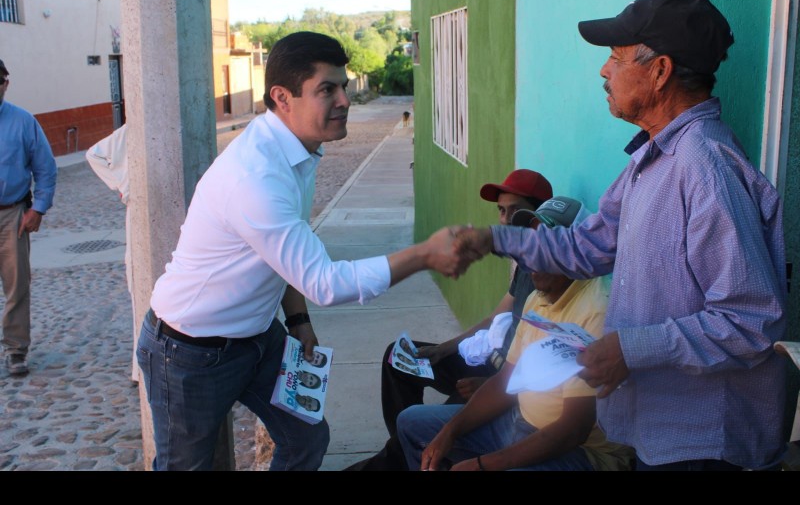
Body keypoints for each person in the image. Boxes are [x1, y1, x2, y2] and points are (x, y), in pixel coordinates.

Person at [453, 0, 788, 471]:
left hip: (705, 443)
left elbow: (750, 319)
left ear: (660, 71)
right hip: (660, 433)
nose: (604, 71)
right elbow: (587, 246)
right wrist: (495, 239)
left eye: (616, 57)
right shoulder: (652, 158)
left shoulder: (705, 167)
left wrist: (632, 348)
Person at [137, 31, 465, 471]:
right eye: (326, 89)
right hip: (190, 350)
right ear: (282, 97)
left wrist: (298, 319)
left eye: (343, 86)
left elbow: (286, 253)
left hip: (258, 336)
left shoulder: (298, 150)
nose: (344, 100)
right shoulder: (255, 177)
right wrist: (423, 255)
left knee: (306, 439)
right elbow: (325, 282)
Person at [397, 197, 633, 471]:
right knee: (412, 423)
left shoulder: (597, 309)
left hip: (581, 453)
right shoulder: (537, 297)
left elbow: (572, 431)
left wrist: (483, 465)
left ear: (572, 250)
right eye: (532, 244)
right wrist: (449, 432)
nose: (533, 257)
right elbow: (505, 381)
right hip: (518, 422)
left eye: (546, 245)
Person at [347, 168, 553, 470]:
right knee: (398, 358)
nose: (506, 220)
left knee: (440, 430)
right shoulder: (524, 263)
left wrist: (490, 385)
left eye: (516, 212)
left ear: (537, 218)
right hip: (486, 361)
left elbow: (546, 369)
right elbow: (496, 316)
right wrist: (444, 349)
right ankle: (407, 450)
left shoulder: (553, 275)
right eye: (501, 211)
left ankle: (406, 451)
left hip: (500, 380)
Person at [0, 58, 57, 377]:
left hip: (12, 215)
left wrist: (38, 208)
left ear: (5, 84)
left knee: (17, 285)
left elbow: (45, 168)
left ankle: (15, 349)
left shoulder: (23, 121)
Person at [86, 123, 139, 383]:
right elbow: (93, 154)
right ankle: (139, 367)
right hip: (138, 209)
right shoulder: (131, 129)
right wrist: (121, 185)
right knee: (139, 287)